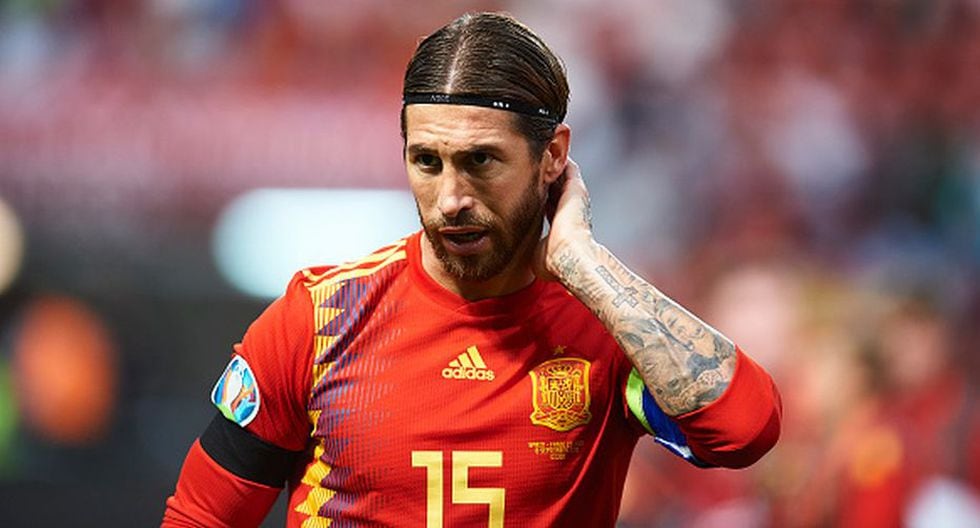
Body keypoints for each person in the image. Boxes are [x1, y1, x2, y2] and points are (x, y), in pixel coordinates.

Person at [162, 12, 781, 528]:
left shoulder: (606, 327)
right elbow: (199, 518)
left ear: (552, 156)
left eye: (481, 161)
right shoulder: (319, 318)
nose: (451, 197)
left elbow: (744, 432)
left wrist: (584, 262)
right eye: (426, 162)